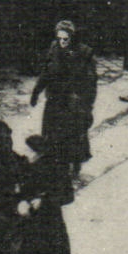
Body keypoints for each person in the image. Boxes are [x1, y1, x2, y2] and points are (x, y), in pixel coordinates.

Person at [30, 20, 98, 182]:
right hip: (54, 98)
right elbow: (46, 71)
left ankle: (74, 166)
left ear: (72, 38)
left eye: (65, 39)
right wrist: (36, 91)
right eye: (59, 38)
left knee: (73, 135)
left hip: (74, 102)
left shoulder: (84, 53)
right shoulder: (54, 48)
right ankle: (52, 164)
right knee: (51, 132)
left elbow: (91, 82)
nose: (62, 42)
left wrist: (86, 105)